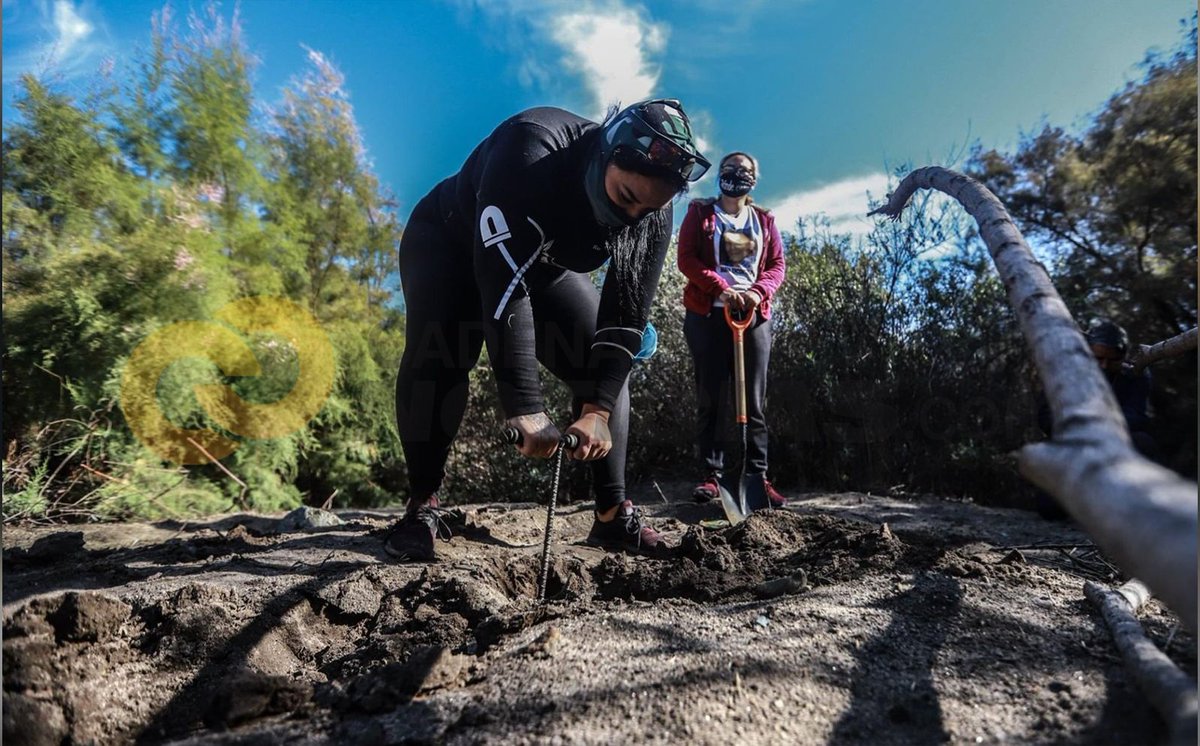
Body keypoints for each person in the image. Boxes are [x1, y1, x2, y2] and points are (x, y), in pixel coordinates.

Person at [386, 99, 710, 561]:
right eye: (624, 198)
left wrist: (596, 410)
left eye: (647, 208)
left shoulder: (652, 211)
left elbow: (625, 317)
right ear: (606, 152)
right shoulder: (531, 146)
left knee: (599, 366)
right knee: (442, 354)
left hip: (545, 266)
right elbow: (503, 285)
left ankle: (612, 516)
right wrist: (525, 406)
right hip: (449, 243)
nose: (630, 218)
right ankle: (422, 505)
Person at [676, 152, 787, 508]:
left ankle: (757, 476)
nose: (735, 175)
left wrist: (757, 292)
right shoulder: (700, 213)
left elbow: (776, 265)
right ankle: (712, 475)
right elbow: (687, 258)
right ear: (719, 175)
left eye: (744, 170)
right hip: (708, 316)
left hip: (753, 318)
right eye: (729, 169)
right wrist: (719, 288)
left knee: (753, 401)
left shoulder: (764, 221)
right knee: (712, 396)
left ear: (754, 179)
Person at [1034, 317, 1158, 518]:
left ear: (1123, 356)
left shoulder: (1137, 374)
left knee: (1144, 443)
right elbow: (1046, 416)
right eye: (1098, 358)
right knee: (1049, 509)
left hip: (1117, 446)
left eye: (1112, 360)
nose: (1104, 366)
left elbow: (1138, 415)